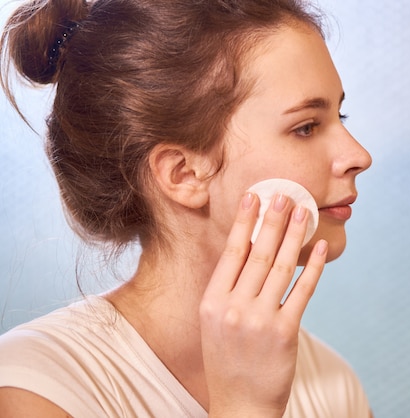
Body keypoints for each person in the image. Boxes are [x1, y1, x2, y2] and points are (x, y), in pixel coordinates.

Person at [0, 0, 373, 416]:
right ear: (183, 175)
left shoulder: (333, 385)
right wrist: (246, 406)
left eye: (341, 115)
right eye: (305, 127)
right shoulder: (35, 388)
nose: (358, 155)